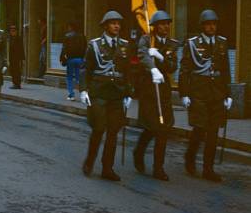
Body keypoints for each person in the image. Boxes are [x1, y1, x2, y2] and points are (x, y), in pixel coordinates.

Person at [179, 9, 232, 182]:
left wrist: (228, 94)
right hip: (198, 92)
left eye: (214, 24)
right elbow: (185, 70)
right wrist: (184, 94)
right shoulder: (192, 43)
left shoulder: (222, 43)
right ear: (202, 26)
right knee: (200, 129)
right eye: (209, 24)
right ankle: (190, 157)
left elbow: (225, 71)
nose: (212, 27)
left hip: (217, 92)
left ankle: (208, 168)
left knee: (214, 131)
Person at [79, 11, 132, 181]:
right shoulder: (94, 45)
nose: (117, 26)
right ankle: (89, 162)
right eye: (113, 23)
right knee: (99, 129)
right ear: (105, 25)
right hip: (99, 92)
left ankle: (107, 168)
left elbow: (128, 71)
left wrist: (129, 92)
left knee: (113, 132)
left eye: (118, 23)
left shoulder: (125, 45)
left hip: (116, 93)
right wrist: (83, 90)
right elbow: (86, 69)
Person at [134, 11, 178, 181]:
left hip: (163, 87)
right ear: (154, 26)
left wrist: (159, 56)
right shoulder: (146, 39)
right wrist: (152, 67)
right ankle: (139, 151)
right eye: (162, 24)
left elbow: (172, 67)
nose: (165, 27)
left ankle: (158, 168)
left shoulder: (172, 44)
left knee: (163, 128)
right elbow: (142, 55)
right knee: (151, 127)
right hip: (148, 87)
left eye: (167, 24)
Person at [60, 22, 87, 100]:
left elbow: (64, 49)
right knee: (80, 77)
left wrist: (62, 58)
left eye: (69, 27)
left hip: (70, 59)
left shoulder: (67, 36)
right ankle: (83, 94)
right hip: (80, 59)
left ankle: (71, 95)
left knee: (70, 77)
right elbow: (85, 48)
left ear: (71, 27)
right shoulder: (82, 36)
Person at [8, 24, 24, 89]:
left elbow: (21, 49)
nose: (12, 32)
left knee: (17, 71)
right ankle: (14, 83)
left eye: (13, 31)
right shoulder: (10, 39)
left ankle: (17, 84)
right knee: (12, 71)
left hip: (17, 58)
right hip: (12, 58)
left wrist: (22, 59)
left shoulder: (18, 38)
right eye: (11, 31)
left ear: (16, 31)